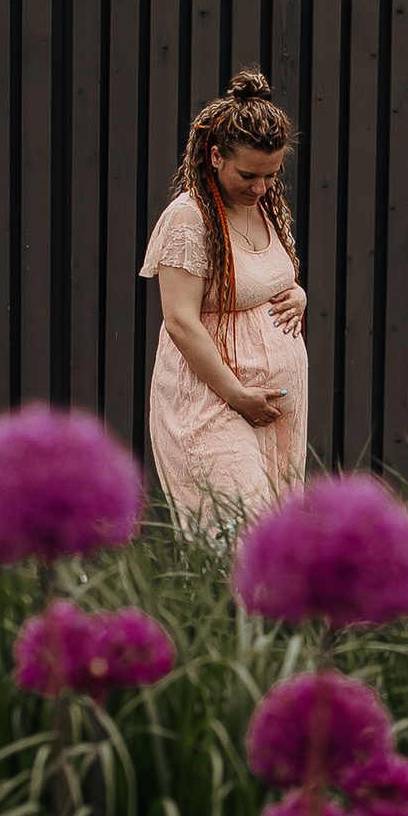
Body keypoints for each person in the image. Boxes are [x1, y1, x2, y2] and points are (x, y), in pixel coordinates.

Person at [139, 69, 309, 529]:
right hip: (214, 402)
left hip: (271, 408)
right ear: (215, 157)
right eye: (248, 175)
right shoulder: (189, 219)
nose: (260, 187)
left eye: (271, 175)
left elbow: (270, 278)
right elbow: (179, 320)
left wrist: (299, 295)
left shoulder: (266, 208)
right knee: (237, 531)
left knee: (270, 536)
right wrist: (237, 394)